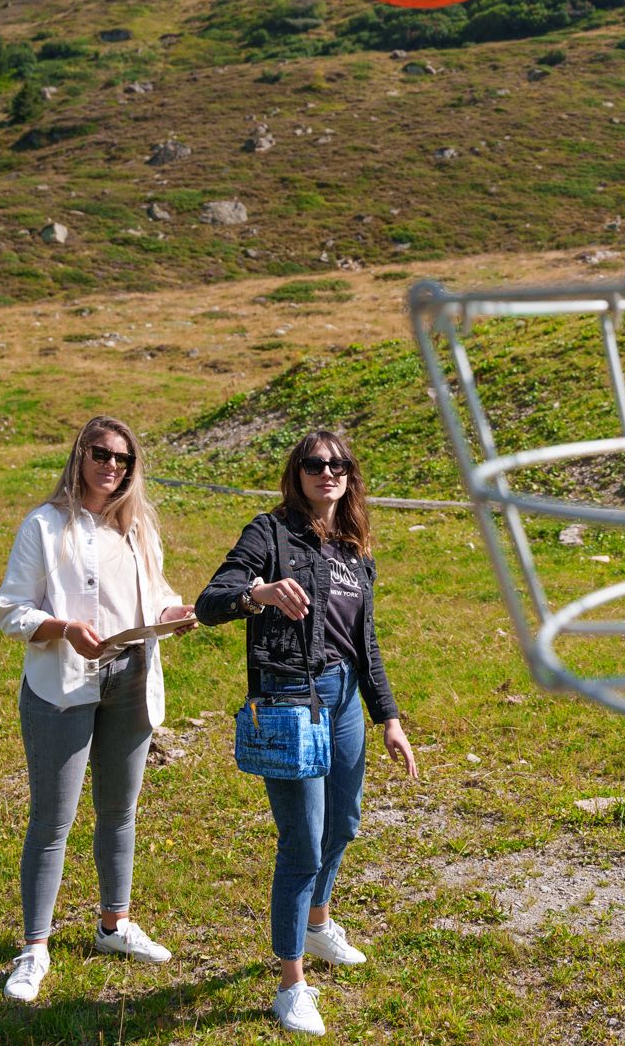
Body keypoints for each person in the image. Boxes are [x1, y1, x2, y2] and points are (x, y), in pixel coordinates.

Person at [197, 430, 417, 1038]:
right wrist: (256, 593)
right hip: (290, 700)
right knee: (304, 842)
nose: (328, 473)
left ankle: (318, 923)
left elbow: (364, 643)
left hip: (344, 698)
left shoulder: (355, 550)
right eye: (315, 464)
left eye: (339, 464)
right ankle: (291, 984)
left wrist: (388, 718)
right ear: (296, 473)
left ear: (351, 476)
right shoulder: (268, 533)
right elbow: (209, 601)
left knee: (343, 823)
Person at [0, 415, 197, 1003]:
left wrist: (170, 614)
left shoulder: (138, 528)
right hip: (62, 685)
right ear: (79, 455)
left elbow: (154, 596)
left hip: (131, 676)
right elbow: (12, 611)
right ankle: (34, 947)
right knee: (53, 820)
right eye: (103, 454)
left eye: (125, 459)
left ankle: (115, 924)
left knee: (119, 810)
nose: (113, 467)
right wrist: (61, 628)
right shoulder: (44, 524)